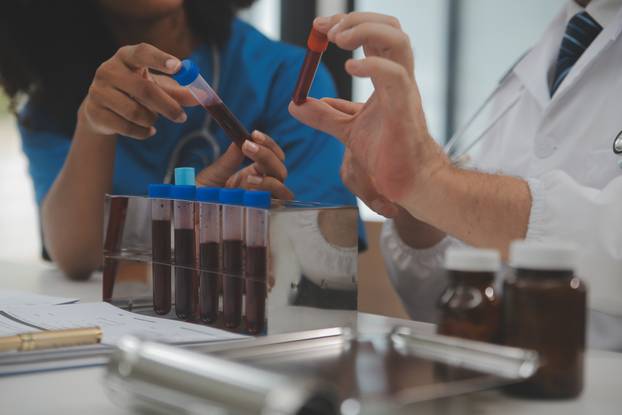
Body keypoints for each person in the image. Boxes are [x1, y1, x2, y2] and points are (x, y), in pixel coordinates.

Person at [290, 2, 622, 349]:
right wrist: (412, 209)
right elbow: (451, 307)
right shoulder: (529, 70)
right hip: (493, 382)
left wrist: (433, 181)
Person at [0, 0, 359, 280]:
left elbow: (325, 254)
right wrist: (92, 124)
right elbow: (77, 257)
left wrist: (201, 224)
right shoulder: (51, 109)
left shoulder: (289, 78)